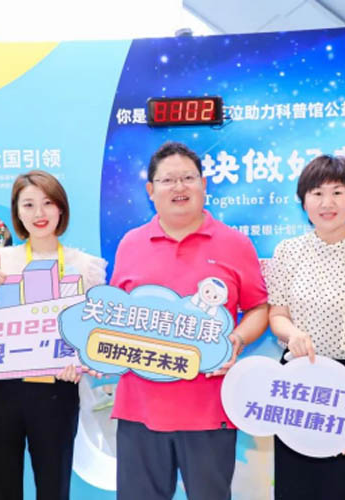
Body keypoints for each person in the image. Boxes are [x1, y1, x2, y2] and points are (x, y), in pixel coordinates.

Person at [110, 141, 269, 500]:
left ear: (204, 184)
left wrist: (237, 340)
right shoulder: (130, 244)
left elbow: (259, 308)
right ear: (151, 190)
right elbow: (114, 315)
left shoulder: (235, 244)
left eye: (188, 178)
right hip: (139, 408)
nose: (179, 187)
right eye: (168, 180)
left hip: (209, 410)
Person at [264, 155, 345, 499]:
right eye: (317, 193)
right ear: (303, 201)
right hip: (298, 384)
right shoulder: (288, 251)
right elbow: (277, 315)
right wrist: (292, 334)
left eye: (337, 192)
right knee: (296, 486)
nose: (327, 203)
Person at [0, 171, 106, 500]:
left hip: (56, 389)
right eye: (28, 205)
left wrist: (81, 360)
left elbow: (94, 332)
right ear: (17, 212)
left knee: (53, 487)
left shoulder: (85, 266)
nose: (39, 213)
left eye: (47, 203)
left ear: (61, 208)